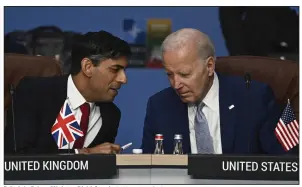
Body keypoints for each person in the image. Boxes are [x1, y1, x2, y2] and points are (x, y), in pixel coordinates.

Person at [141, 28, 296, 154]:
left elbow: (288, 163)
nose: (176, 84)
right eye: (169, 74)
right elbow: (148, 169)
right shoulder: (159, 106)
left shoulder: (254, 98)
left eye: (184, 74)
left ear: (209, 66)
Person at [5, 30, 131, 154]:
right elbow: (16, 156)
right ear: (87, 67)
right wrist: (83, 153)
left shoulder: (111, 114)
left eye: (124, 71)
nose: (123, 79)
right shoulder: (33, 92)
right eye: (115, 70)